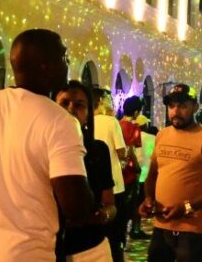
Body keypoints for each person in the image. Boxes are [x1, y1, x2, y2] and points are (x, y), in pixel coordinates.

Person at [0, 29, 94, 262]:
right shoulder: (60, 121)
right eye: (63, 57)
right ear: (45, 66)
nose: (68, 63)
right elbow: (75, 206)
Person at [139, 83, 202, 262]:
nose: (175, 111)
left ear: (195, 107)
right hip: (162, 224)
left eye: (182, 106)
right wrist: (149, 199)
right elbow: (153, 174)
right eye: (171, 106)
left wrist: (187, 206)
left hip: (192, 228)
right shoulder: (162, 135)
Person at [56, 80, 116, 262]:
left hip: (91, 249)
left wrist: (103, 215)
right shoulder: (39, 148)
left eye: (79, 105)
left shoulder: (98, 150)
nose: (71, 109)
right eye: (64, 103)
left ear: (88, 114)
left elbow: (110, 204)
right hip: (48, 249)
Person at [94, 90, 128, 262]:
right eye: (108, 98)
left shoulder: (85, 122)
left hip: (92, 184)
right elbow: (121, 151)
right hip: (114, 183)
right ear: (100, 101)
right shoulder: (111, 121)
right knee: (116, 234)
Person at [120, 96, 148, 242]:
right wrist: (137, 167)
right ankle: (130, 233)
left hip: (119, 171)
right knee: (132, 203)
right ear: (136, 112)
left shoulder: (118, 124)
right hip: (130, 172)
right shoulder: (133, 128)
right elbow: (131, 149)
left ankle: (121, 234)